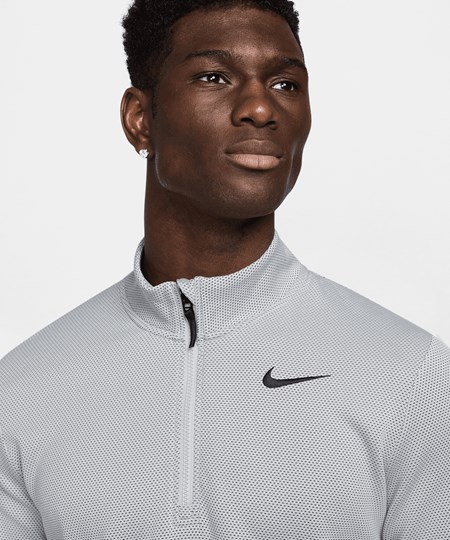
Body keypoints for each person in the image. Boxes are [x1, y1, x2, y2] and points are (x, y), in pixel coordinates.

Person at [1, 0, 449, 538]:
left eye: (285, 84)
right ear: (140, 119)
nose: (261, 108)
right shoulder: (22, 391)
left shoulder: (410, 374)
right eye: (214, 77)